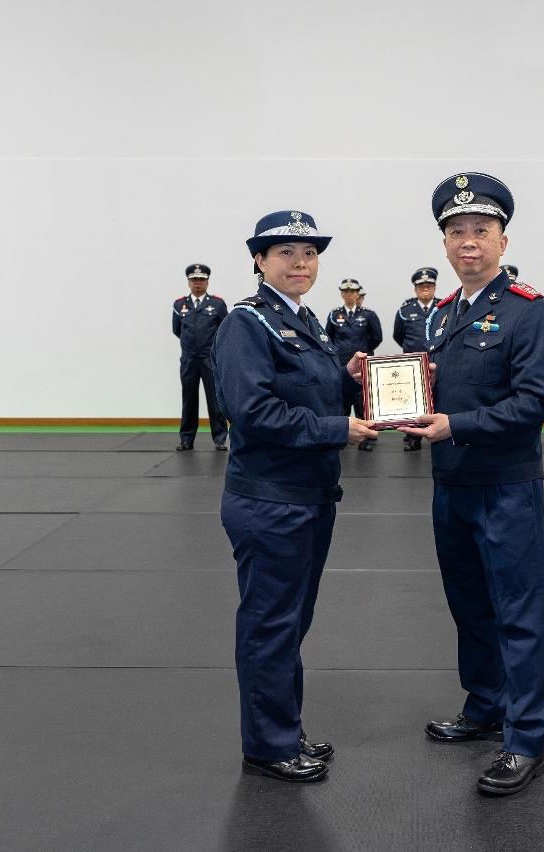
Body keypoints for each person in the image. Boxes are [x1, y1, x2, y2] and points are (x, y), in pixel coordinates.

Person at [400, 172, 544, 796]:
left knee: (517, 612)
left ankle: (525, 740)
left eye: (481, 230)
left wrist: (455, 425)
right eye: (457, 231)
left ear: (502, 240)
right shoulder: (442, 314)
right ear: (444, 243)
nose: (469, 241)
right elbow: (433, 385)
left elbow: (538, 401)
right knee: (468, 604)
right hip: (451, 483)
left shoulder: (528, 310)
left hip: (504, 487)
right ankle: (485, 705)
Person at [212, 210, 377, 784]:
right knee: (270, 624)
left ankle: (285, 727)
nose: (301, 263)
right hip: (270, 500)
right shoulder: (246, 323)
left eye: (309, 254)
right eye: (286, 252)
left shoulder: (303, 320)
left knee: (290, 622)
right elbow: (252, 411)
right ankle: (268, 745)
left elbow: (308, 391)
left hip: (307, 494)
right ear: (259, 260)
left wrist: (350, 378)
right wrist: (337, 429)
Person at [173, 264, 229, 451]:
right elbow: (177, 330)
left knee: (215, 399)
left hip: (209, 359)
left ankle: (220, 439)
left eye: (202, 279)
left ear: (207, 282)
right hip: (189, 359)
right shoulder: (179, 305)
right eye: (194, 279)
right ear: (188, 282)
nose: (198, 283)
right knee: (188, 399)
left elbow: (224, 329)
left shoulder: (217, 304)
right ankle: (186, 439)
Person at [326, 279, 383, 450]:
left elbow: (376, 337)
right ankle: (341, 437)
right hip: (341, 364)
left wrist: (364, 351)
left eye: (352, 292)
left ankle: (364, 440)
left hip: (362, 364)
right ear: (342, 294)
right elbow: (329, 338)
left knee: (362, 402)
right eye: (346, 292)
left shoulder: (368, 315)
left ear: (358, 294)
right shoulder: (334, 315)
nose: (349, 295)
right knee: (341, 401)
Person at [393, 267, 440, 451]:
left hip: (437, 362)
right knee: (413, 400)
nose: (425, 289)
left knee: (439, 398)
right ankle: (414, 438)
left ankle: (439, 435)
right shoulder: (406, 310)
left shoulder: (444, 307)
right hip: (412, 363)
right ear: (415, 289)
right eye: (421, 286)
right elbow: (398, 335)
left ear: (434, 288)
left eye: (429, 286)